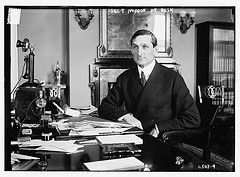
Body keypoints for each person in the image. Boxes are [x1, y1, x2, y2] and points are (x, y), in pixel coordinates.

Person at [98, 29, 200, 139]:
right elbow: (105, 107)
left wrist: (159, 128)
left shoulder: (172, 78)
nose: (139, 53)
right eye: (135, 47)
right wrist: (126, 116)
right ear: (131, 50)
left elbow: (192, 118)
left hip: (162, 140)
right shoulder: (125, 78)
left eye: (145, 47)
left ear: (155, 50)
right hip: (134, 137)